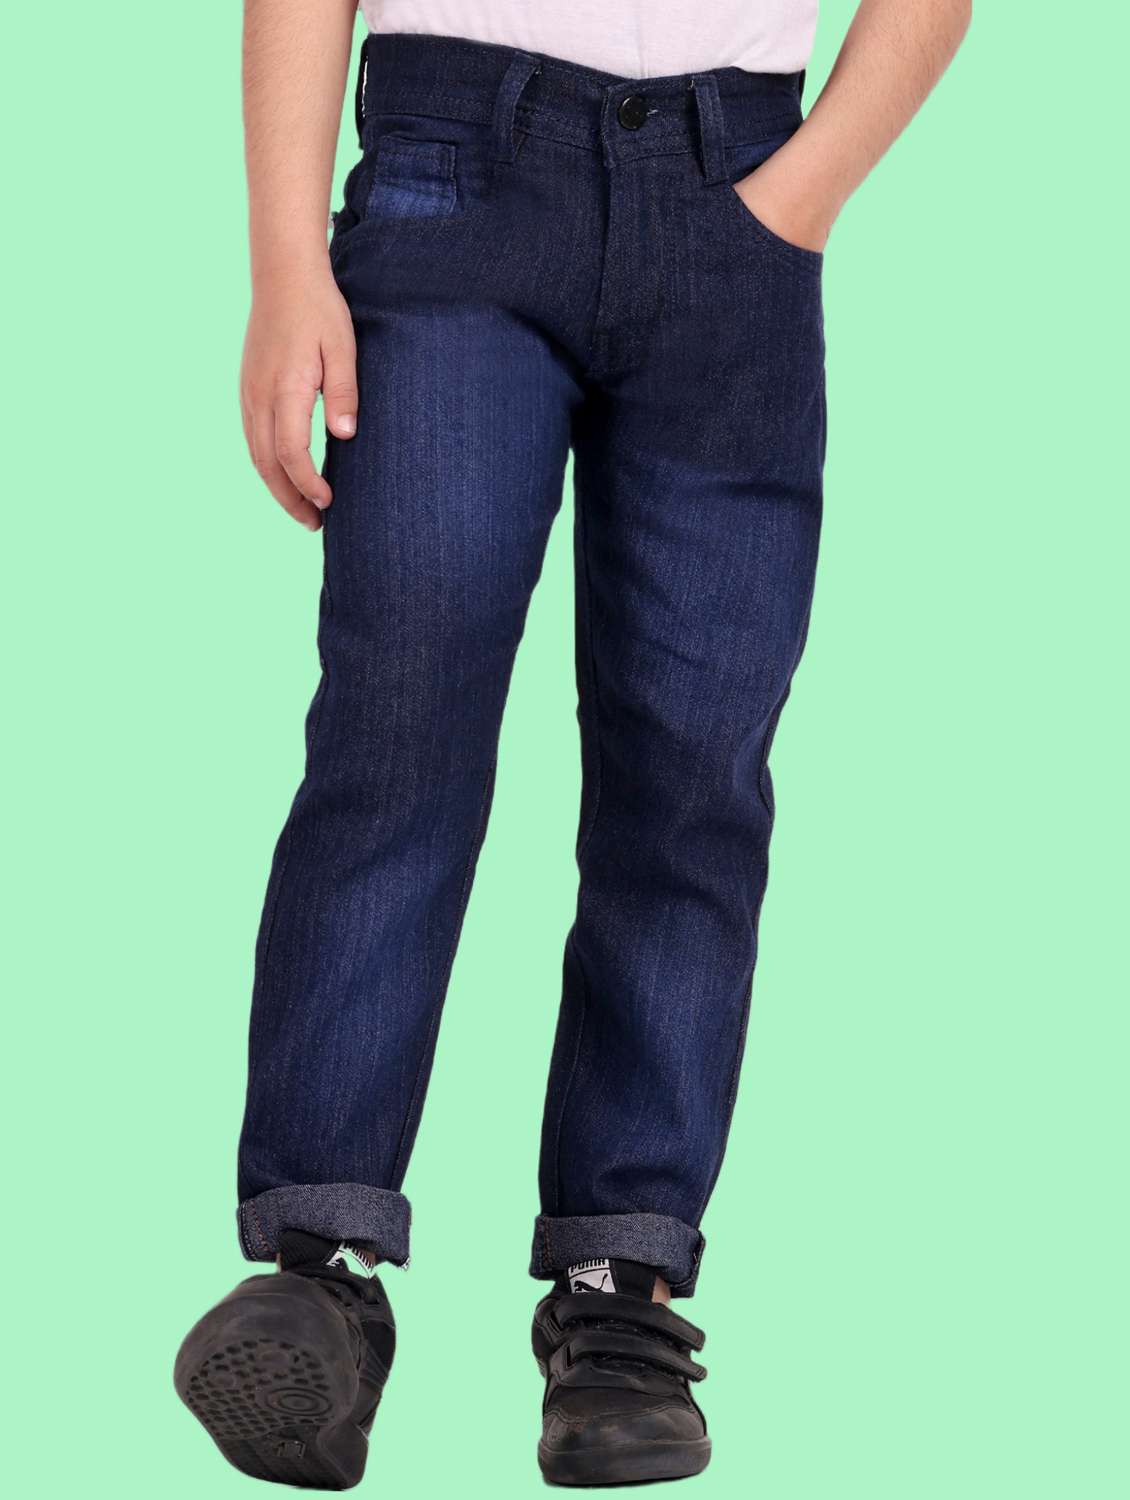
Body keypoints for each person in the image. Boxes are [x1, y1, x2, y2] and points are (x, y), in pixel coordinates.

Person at [175, 0, 971, 1487]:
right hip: (449, 175)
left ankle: (622, 1288)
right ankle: (316, 1269)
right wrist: (286, 259)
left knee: (691, 774)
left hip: (737, 180)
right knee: (396, 729)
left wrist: (794, 200)